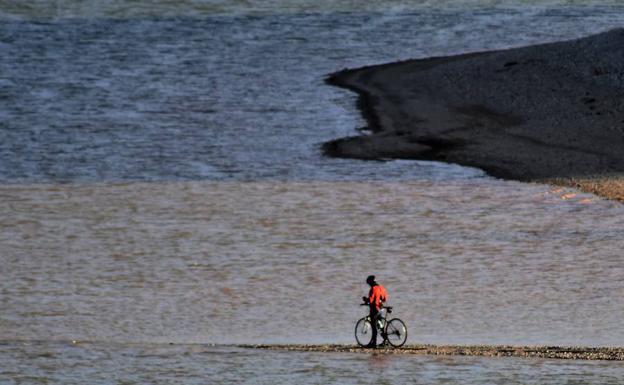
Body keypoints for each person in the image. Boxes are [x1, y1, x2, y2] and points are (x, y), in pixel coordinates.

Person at [362, 275, 387, 348]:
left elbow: (371, 300)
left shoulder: (373, 289)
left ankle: (374, 343)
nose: (369, 285)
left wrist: (365, 299)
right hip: (381, 309)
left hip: (374, 309)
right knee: (380, 326)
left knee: (374, 326)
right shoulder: (381, 288)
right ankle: (385, 341)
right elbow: (384, 298)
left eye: (369, 283)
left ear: (371, 282)